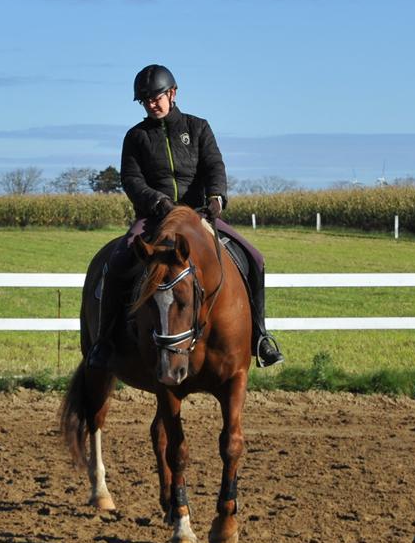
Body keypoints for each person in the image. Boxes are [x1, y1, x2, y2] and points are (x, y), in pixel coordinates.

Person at [86, 64, 284, 369]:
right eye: (145, 100)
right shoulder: (136, 136)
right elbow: (132, 180)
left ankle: (260, 337)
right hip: (154, 218)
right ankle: (104, 342)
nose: (152, 104)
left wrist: (216, 196)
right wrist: (158, 202)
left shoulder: (198, 127)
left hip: (197, 215)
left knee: (254, 258)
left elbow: (214, 166)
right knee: (116, 264)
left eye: (156, 97)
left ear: (172, 93)